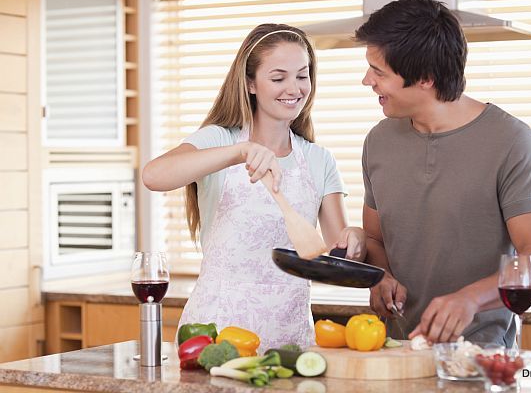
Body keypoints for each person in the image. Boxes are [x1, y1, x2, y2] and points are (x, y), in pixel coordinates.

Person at [142, 24, 365, 351]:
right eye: (278, 78)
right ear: (250, 83)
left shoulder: (319, 160)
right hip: (215, 337)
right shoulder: (220, 139)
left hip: (289, 341)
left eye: (302, 76)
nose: (294, 88)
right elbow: (154, 175)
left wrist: (355, 239)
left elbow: (332, 258)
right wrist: (239, 152)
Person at [355, 0, 531, 346]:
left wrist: (470, 298)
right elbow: (374, 238)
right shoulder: (379, 141)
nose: (366, 80)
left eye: (379, 72)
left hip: (482, 355)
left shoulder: (512, 142)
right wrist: (380, 276)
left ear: (425, 79)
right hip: (397, 348)